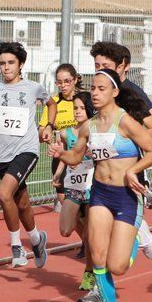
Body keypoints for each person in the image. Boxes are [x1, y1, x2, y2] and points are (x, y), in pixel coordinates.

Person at [49, 68, 152, 302]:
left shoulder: (125, 123)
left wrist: (133, 171)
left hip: (125, 196)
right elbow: (77, 158)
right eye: (93, 89)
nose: (96, 93)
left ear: (114, 92)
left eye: (102, 89)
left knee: (118, 266)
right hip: (99, 194)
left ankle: (140, 239)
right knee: (97, 257)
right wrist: (61, 153)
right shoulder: (88, 125)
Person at [0, 42, 55, 268]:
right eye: (2, 64)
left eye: (10, 63)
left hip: (27, 149)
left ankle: (17, 247)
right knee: (22, 203)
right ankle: (37, 240)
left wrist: (48, 126)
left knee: (4, 193)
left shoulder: (33, 87)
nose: (6, 68)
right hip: (1, 155)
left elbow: (51, 103)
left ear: (21, 64)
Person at [90, 41, 152, 258]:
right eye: (97, 65)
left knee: (112, 229)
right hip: (102, 171)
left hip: (130, 166)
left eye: (105, 65)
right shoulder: (98, 92)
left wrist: (125, 137)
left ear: (121, 67)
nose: (100, 69)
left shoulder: (131, 93)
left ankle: (140, 237)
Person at [52, 96, 97, 290]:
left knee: (90, 238)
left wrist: (93, 154)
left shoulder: (96, 131)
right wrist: (59, 171)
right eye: (75, 108)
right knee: (65, 230)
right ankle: (89, 230)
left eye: (81, 108)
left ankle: (90, 274)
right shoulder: (67, 133)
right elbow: (67, 155)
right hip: (74, 187)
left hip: (93, 187)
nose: (77, 111)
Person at [39, 64, 87, 213]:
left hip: (86, 158)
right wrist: (47, 133)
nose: (63, 85)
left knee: (88, 204)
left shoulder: (85, 100)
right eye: (59, 82)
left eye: (67, 81)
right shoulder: (53, 103)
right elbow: (42, 132)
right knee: (67, 206)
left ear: (75, 80)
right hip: (62, 157)